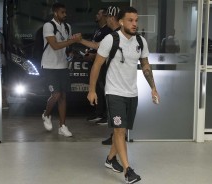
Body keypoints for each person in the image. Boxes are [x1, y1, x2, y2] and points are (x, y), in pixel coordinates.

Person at [87, 6, 160, 184]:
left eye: (136, 20)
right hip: (114, 92)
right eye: (130, 20)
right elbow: (97, 65)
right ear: (121, 21)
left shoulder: (140, 42)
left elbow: (145, 66)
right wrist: (91, 90)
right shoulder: (110, 40)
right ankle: (128, 170)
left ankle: (110, 159)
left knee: (122, 130)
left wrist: (153, 88)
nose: (134, 24)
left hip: (132, 93)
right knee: (119, 130)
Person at [41, 2, 81, 136]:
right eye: (62, 12)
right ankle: (46, 114)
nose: (65, 15)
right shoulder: (48, 25)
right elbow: (55, 45)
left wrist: (70, 52)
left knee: (63, 96)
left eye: (65, 12)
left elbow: (66, 47)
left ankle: (62, 126)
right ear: (55, 13)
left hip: (63, 66)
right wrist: (74, 40)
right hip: (49, 66)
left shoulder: (67, 27)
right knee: (56, 94)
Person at [85, 8, 112, 125]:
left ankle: (107, 115)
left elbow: (105, 49)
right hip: (94, 63)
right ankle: (99, 112)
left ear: (105, 16)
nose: (96, 15)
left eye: (98, 13)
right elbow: (95, 45)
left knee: (105, 89)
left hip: (103, 65)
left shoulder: (108, 31)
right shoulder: (98, 30)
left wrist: (94, 55)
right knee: (99, 90)